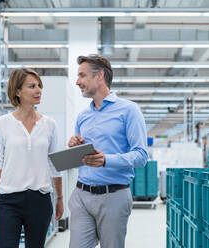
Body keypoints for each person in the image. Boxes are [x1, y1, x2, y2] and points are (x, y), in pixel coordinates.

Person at [68, 54, 148, 248]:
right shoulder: (83, 115)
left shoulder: (128, 110)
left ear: (100, 76)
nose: (77, 82)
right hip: (81, 194)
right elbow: (82, 157)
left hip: (113, 196)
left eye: (82, 75)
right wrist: (74, 146)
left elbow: (141, 155)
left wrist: (106, 160)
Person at [0, 68, 63, 248]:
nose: (38, 90)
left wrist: (59, 198)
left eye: (39, 86)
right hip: (7, 201)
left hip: (40, 200)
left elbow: (55, 165)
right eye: (32, 86)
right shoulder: (2, 124)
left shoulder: (49, 125)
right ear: (17, 92)